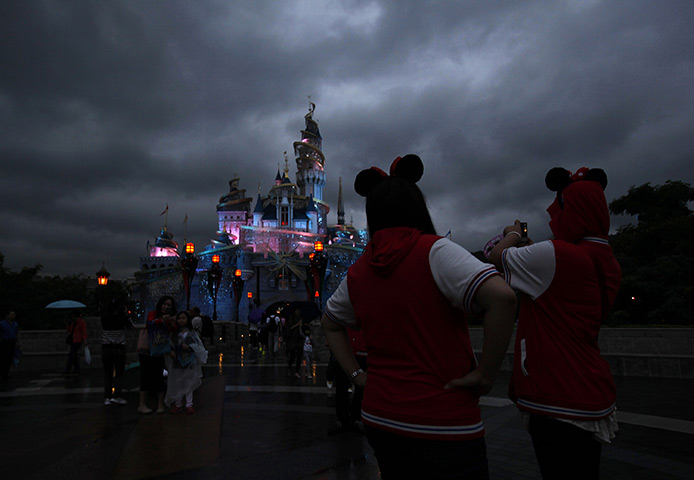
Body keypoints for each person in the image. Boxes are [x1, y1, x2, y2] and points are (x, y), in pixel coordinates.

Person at [322, 154, 517, 479]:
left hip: (381, 418)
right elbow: (503, 298)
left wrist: (358, 377)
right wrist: (485, 374)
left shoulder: (359, 272)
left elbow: (329, 323)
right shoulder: (434, 251)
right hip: (443, 420)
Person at [489, 167, 621, 480]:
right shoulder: (608, 259)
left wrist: (513, 233)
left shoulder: (559, 255)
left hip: (558, 394)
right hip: (590, 387)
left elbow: (497, 256)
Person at [138, 296, 176, 414]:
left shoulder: (171, 318)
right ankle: (142, 404)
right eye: (164, 304)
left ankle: (160, 404)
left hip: (160, 351)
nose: (166, 307)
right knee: (146, 376)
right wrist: (161, 320)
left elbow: (173, 330)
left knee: (159, 377)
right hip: (147, 350)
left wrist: (170, 322)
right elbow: (150, 324)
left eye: (169, 305)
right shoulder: (152, 314)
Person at [165, 311, 208, 414]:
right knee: (178, 383)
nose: (181, 320)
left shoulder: (192, 333)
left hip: (190, 360)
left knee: (189, 383)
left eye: (183, 318)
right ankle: (178, 404)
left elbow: (198, 346)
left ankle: (189, 404)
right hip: (178, 361)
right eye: (179, 318)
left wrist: (189, 347)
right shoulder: (174, 334)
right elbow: (170, 344)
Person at [328, 327, 368, 435]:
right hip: (346, 350)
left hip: (359, 350)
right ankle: (344, 419)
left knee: (360, 389)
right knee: (342, 387)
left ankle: (355, 418)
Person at [101, 299, 132, 406]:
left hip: (106, 348)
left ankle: (107, 397)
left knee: (107, 374)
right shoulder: (121, 318)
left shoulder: (104, 318)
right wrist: (125, 313)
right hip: (119, 348)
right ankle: (117, 396)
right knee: (119, 374)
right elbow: (130, 326)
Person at [64, 310, 87, 375]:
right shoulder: (73, 322)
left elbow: (83, 331)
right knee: (74, 355)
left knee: (72, 354)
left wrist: (85, 339)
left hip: (78, 340)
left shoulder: (81, 322)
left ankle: (68, 369)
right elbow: (69, 330)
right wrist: (67, 324)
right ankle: (77, 368)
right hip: (73, 340)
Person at [285, 307, 304, 378]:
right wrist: (298, 324)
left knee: (299, 356)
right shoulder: (291, 318)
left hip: (299, 339)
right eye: (297, 310)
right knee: (292, 356)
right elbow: (290, 327)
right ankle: (289, 367)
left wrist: (302, 325)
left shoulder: (301, 318)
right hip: (292, 338)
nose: (298, 311)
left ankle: (297, 371)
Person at [0, 309, 19, 380]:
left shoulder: (15, 324)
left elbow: (16, 333)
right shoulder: (2, 323)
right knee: (3, 358)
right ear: (7, 315)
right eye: (12, 314)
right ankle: (3, 373)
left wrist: (17, 342)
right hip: (4, 342)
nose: (13, 316)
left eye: (14, 314)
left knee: (10, 358)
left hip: (12, 342)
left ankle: (6, 372)